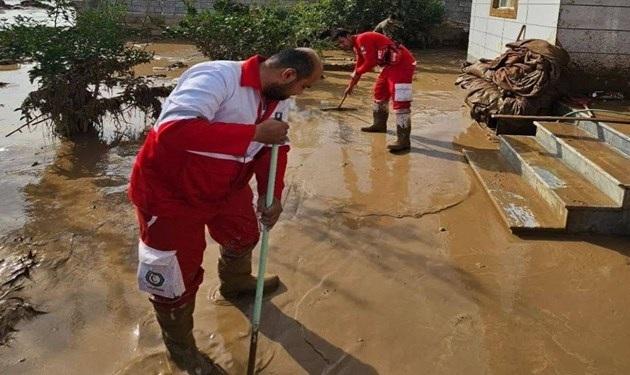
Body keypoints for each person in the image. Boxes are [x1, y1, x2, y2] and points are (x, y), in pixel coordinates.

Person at [128, 48, 323, 374]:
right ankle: (181, 350)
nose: (302, 94)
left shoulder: (279, 97)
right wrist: (254, 132)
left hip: (226, 187)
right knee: (173, 274)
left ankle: (235, 283)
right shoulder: (217, 77)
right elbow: (173, 133)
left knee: (244, 233)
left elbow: (275, 149)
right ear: (288, 75)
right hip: (170, 194)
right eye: (305, 86)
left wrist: (270, 195)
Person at [332, 29, 416, 153]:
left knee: (400, 100)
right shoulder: (357, 46)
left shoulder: (362, 39)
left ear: (348, 36)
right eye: (339, 44)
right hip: (389, 65)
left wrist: (358, 73)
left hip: (402, 64)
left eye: (342, 41)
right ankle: (379, 125)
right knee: (379, 92)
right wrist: (351, 85)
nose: (342, 45)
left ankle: (403, 140)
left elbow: (370, 62)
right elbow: (360, 65)